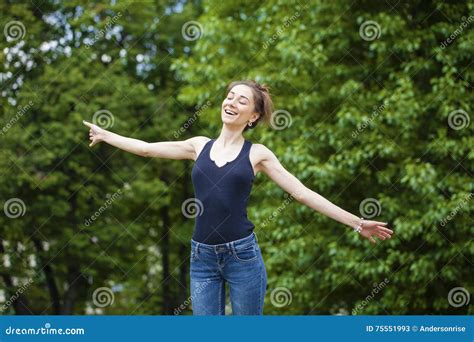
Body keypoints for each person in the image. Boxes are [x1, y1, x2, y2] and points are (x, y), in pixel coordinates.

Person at [82, 80, 393, 315]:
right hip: (201, 257)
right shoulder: (198, 145)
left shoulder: (257, 153)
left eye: (241, 100)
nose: (231, 102)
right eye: (229, 96)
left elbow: (300, 192)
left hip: (242, 257)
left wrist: (356, 222)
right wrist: (107, 135)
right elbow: (146, 148)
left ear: (253, 115)